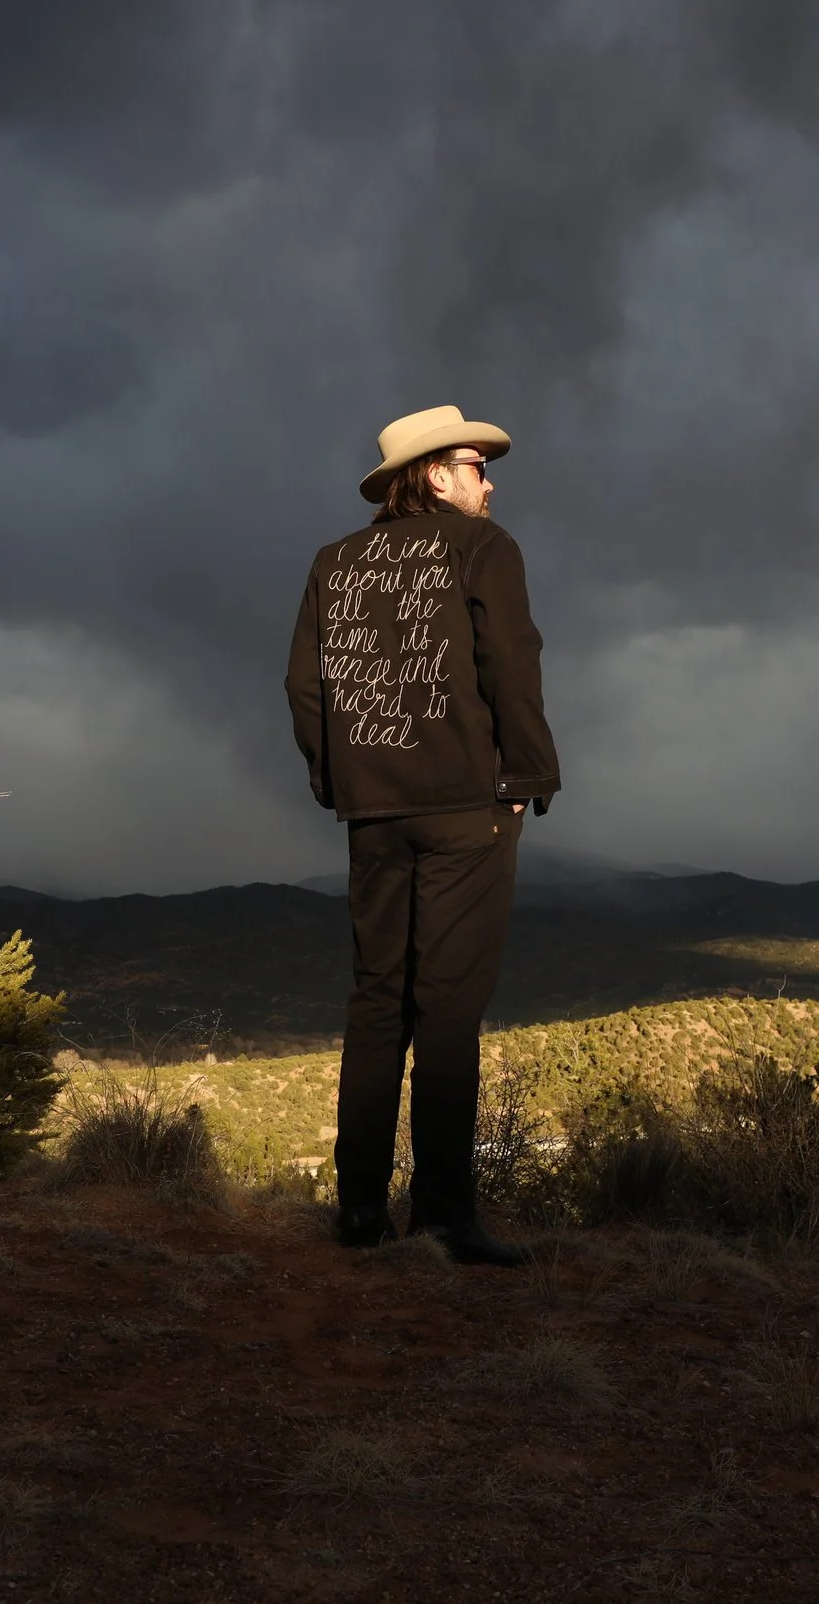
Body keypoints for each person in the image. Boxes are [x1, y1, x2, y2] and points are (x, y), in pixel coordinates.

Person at [285, 405, 561, 1265]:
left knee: (376, 1005)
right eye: (477, 463)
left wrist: (341, 782)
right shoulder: (487, 548)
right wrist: (527, 778)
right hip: (464, 810)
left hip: (373, 815)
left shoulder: (334, 562)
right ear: (437, 474)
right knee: (448, 1009)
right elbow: (511, 662)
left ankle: (360, 1214)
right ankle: (443, 1221)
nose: (489, 480)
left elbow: (305, 688)